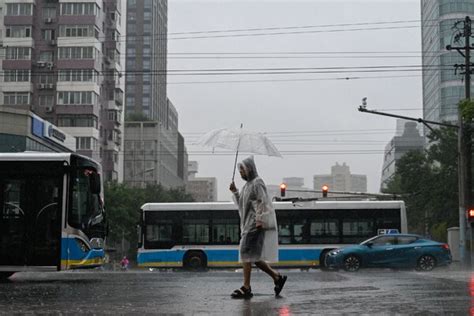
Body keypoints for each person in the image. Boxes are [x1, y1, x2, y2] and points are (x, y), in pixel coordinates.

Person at [229, 156, 287, 299]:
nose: (240, 172)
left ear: (249, 169)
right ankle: (277, 277)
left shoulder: (257, 182)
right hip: (248, 225)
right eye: (239, 170)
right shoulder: (247, 186)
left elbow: (262, 201)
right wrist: (235, 192)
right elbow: (242, 206)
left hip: (254, 225)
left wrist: (260, 220)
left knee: (245, 254)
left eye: (242, 169)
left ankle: (246, 287)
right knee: (253, 257)